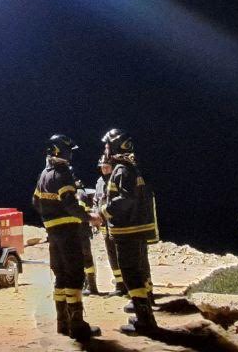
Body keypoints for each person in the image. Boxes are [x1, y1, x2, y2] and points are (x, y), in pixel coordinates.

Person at [32, 135, 100, 341]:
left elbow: (35, 202)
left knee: (60, 276)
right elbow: (70, 203)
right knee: (74, 275)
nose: (71, 154)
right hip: (68, 232)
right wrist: (89, 217)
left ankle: (62, 322)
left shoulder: (44, 174)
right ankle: (77, 325)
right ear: (60, 151)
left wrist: (49, 218)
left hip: (53, 234)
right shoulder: (63, 173)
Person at [99, 128, 158, 335]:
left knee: (131, 274)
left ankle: (145, 322)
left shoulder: (122, 171)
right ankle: (145, 316)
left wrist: (103, 211)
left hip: (127, 231)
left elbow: (125, 200)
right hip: (136, 230)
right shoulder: (131, 168)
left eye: (107, 146)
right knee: (137, 272)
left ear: (115, 147)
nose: (106, 150)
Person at [91, 156, 126, 296]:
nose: (104, 169)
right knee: (111, 254)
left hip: (116, 224)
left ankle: (128, 284)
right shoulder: (100, 182)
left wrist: (104, 213)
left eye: (107, 167)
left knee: (121, 254)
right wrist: (95, 214)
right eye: (102, 167)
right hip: (104, 225)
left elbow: (120, 202)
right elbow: (96, 200)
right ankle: (119, 284)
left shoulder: (117, 179)